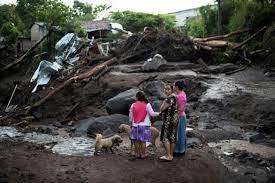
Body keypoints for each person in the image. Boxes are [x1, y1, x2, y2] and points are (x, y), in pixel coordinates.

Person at [129, 91, 159, 159]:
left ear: (137, 97)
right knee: (143, 141)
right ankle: (143, 154)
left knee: (136, 140)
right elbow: (152, 114)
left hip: (135, 125)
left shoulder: (133, 105)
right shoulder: (147, 104)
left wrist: (130, 123)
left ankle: (137, 153)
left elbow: (130, 116)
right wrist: (159, 113)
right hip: (145, 125)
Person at [159, 84, 179, 161]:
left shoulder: (169, 98)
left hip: (168, 120)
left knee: (165, 137)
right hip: (175, 119)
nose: (166, 90)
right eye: (165, 89)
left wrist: (164, 102)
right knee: (172, 137)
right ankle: (171, 154)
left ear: (172, 90)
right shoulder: (176, 97)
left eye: (168, 89)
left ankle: (168, 155)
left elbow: (162, 108)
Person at [174, 80, 187, 156]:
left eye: (174, 85)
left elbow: (181, 109)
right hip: (181, 116)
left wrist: (176, 117)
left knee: (180, 134)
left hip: (180, 117)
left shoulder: (180, 96)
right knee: (180, 133)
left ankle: (180, 151)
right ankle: (181, 149)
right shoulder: (181, 94)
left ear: (176, 87)